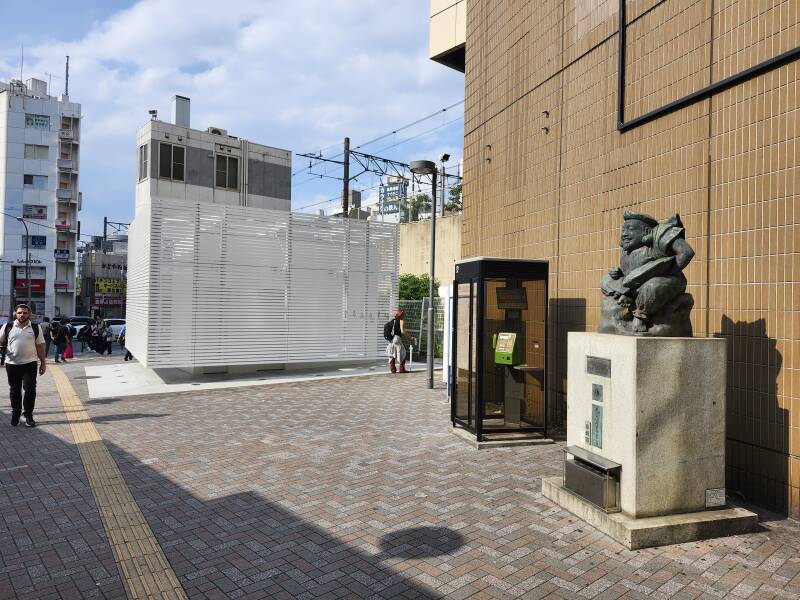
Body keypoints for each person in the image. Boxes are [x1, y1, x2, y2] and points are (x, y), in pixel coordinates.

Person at [0, 304, 46, 427]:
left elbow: (40, 346)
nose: (22, 315)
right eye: (20, 312)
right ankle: (16, 414)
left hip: (30, 364)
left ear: (29, 314)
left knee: (30, 390)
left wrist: (43, 363)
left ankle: (28, 415)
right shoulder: (8, 326)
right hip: (12, 364)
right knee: (15, 390)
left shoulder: (36, 328)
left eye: (25, 313)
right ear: (16, 313)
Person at [385, 309, 408, 374]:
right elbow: (402, 331)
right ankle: (402, 369)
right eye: (403, 315)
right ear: (401, 315)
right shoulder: (401, 321)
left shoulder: (391, 322)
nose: (404, 316)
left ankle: (393, 370)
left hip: (391, 339)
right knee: (403, 353)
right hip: (397, 339)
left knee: (392, 353)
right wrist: (410, 336)